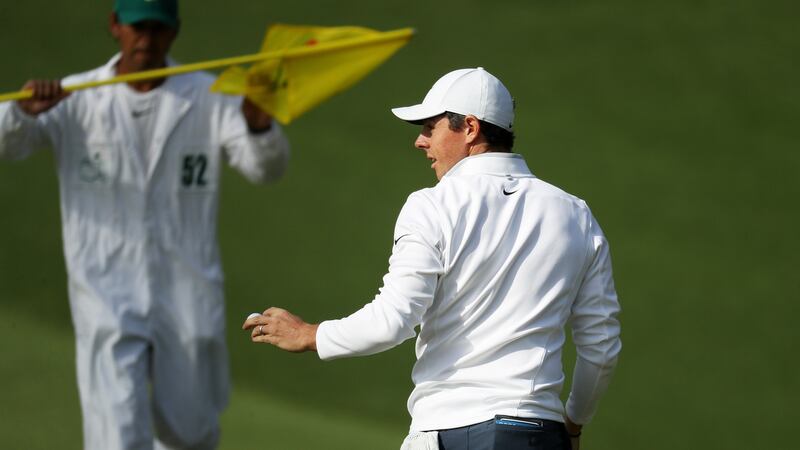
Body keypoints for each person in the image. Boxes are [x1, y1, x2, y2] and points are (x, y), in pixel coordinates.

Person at [243, 67, 620, 450]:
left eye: (430, 127)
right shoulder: (576, 214)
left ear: (470, 128)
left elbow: (393, 320)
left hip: (450, 432)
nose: (420, 142)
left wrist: (309, 334)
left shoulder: (430, 206)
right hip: (542, 435)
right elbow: (601, 349)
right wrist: (572, 425)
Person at [0, 1, 289, 449]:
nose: (146, 38)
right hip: (104, 290)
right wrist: (23, 113)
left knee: (192, 433)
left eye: (157, 28)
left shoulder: (210, 96)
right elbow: (4, 142)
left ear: (174, 32)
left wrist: (258, 125)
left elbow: (265, 170)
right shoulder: (74, 97)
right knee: (115, 435)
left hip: (187, 289)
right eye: (138, 27)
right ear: (116, 26)